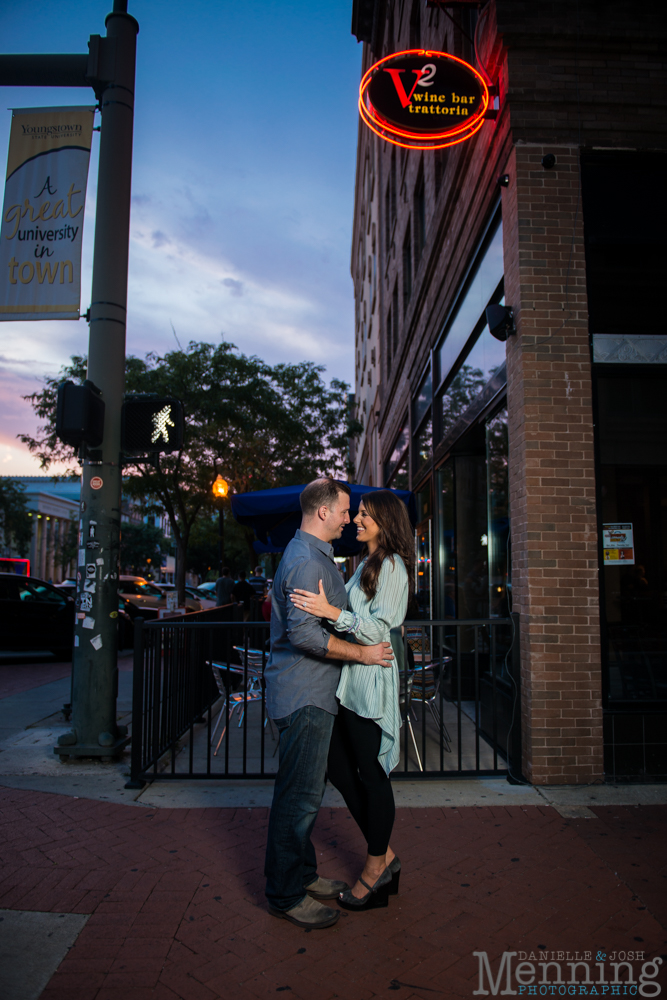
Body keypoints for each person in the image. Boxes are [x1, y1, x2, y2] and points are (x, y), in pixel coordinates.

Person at [264, 478, 395, 930]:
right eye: (343, 511)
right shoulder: (306, 562)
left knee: (305, 794)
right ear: (323, 513)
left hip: (311, 692)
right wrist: (361, 653)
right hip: (305, 694)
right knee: (297, 801)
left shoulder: (314, 557)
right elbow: (302, 634)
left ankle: (301, 875)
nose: (349, 518)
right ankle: (284, 894)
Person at [291, 490, 413, 913]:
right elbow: (343, 613)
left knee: (372, 776)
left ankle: (375, 866)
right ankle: (388, 857)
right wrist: (324, 607)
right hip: (350, 684)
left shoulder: (394, 566)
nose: (356, 519)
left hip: (370, 684)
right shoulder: (365, 565)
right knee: (341, 772)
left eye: (363, 514)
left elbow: (380, 629)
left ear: (385, 519)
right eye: (355, 512)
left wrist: (330, 612)